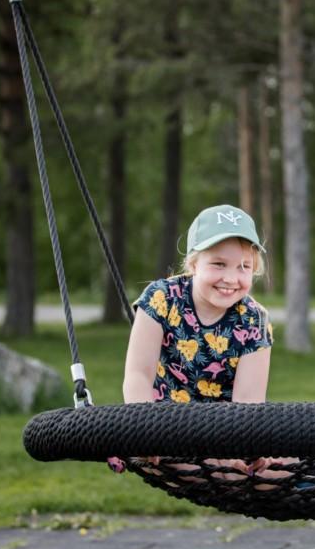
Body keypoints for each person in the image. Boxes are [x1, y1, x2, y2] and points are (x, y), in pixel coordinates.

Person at [110, 204, 273, 479]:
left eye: (244, 267)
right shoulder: (162, 298)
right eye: (219, 264)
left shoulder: (254, 320)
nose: (231, 278)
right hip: (162, 424)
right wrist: (144, 429)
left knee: (270, 466)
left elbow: (248, 405)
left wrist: (236, 449)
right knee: (169, 458)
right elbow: (138, 374)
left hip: (222, 430)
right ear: (194, 263)